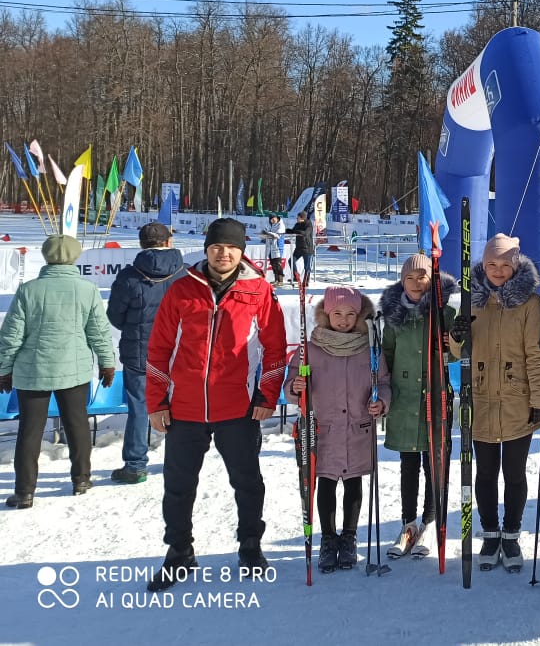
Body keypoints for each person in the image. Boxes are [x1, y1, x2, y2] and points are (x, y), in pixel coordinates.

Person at [145, 218, 288, 591]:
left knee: (247, 482)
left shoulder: (258, 291)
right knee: (178, 486)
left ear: (241, 252)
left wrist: (267, 395)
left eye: (230, 248)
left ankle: (251, 545)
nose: (223, 254)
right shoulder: (181, 291)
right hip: (185, 408)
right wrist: (157, 401)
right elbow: (159, 349)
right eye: (216, 247)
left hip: (237, 407)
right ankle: (178, 552)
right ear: (207, 249)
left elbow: (275, 349)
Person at [449, 234, 540, 573]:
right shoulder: (469, 299)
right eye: (492, 264)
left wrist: (538, 399)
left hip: (516, 397)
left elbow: (535, 354)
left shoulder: (530, 303)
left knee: (514, 472)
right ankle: (490, 533)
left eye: (506, 265)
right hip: (479, 399)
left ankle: (511, 534)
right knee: (485, 472)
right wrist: (456, 334)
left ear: (516, 265)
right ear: (483, 264)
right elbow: (457, 352)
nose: (498, 271)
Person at [0, 235, 117, 508]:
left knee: (29, 431)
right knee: (77, 425)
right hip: (73, 370)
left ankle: (25, 491)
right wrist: (107, 362)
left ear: (45, 255)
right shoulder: (87, 289)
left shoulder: (29, 290)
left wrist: (4, 370)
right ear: (75, 257)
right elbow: (99, 331)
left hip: (33, 372)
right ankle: (82, 479)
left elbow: (11, 336)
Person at [285, 286, 386, 573]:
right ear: (326, 315)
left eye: (350, 314)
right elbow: (292, 382)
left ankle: (349, 537)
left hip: (357, 427)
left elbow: (384, 383)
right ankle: (328, 539)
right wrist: (295, 388)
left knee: (354, 484)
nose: (343, 320)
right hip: (323, 429)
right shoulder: (312, 347)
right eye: (337, 313)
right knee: (325, 484)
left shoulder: (369, 348)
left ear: (359, 316)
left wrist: (382, 402)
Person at [379, 253, 458, 559]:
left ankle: (431, 520)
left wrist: (456, 339)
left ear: (431, 280)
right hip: (403, 398)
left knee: (434, 463)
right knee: (408, 463)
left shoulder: (442, 313)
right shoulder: (393, 315)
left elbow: (457, 352)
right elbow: (386, 354)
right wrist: (379, 388)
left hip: (434, 395)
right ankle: (408, 523)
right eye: (409, 277)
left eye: (421, 277)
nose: (414, 283)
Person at [106, 222, 185, 484]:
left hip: (140, 351)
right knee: (179, 406)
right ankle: (177, 461)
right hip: (179, 352)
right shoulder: (185, 275)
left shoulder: (129, 276)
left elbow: (115, 316)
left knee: (140, 408)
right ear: (168, 242)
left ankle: (135, 465)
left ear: (141, 244)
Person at [287, 211, 316, 284]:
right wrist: (286, 231)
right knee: (291, 261)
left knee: (307, 267)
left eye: (298, 217)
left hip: (307, 248)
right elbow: (293, 231)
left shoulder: (308, 224)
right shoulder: (297, 224)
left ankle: (306, 281)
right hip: (299, 248)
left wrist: (296, 231)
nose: (297, 218)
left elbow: (305, 233)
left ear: (302, 218)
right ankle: (296, 276)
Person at [262, 213, 286, 286]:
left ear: (276, 218)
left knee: (278, 264)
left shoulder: (281, 225)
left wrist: (269, 233)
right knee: (273, 264)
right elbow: (266, 230)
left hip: (278, 247)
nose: (273, 220)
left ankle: (280, 280)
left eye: (273, 219)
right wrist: (264, 233)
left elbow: (277, 235)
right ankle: (276, 279)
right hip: (270, 247)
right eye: (271, 219)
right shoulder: (270, 224)